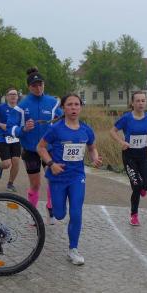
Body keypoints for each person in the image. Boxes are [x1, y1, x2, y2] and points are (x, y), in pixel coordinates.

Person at [37, 93, 102, 265]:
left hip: (77, 177)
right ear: (63, 108)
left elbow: (92, 148)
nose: (73, 108)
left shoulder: (86, 129)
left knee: (76, 212)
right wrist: (51, 164)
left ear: (80, 107)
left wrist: (95, 158)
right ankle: (54, 208)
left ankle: (73, 249)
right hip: (58, 177)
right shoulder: (55, 129)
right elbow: (40, 147)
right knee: (59, 215)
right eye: (70, 105)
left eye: (76, 104)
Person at [14, 67, 62, 223]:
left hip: (49, 149)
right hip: (31, 150)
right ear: (29, 87)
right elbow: (11, 127)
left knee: (53, 180)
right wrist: (23, 129)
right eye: (34, 85)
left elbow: (63, 119)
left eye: (40, 84)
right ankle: (33, 213)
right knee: (35, 184)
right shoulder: (22, 105)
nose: (38, 88)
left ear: (44, 85)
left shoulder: (53, 103)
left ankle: (50, 208)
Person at [110, 90, 147, 226]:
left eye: (143, 100)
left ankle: (142, 186)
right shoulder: (126, 118)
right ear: (132, 103)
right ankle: (134, 215)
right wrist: (121, 142)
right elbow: (112, 131)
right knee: (136, 186)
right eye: (137, 101)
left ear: (146, 102)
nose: (140, 103)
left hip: (143, 155)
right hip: (129, 156)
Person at [0, 89, 24, 190]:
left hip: (16, 139)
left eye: (15, 94)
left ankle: (10, 183)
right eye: (11, 94)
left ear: (17, 97)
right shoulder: (0, 108)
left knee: (16, 161)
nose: (13, 96)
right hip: (2, 139)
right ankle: (0, 166)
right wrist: (1, 125)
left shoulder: (21, 109)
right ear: (7, 97)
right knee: (7, 164)